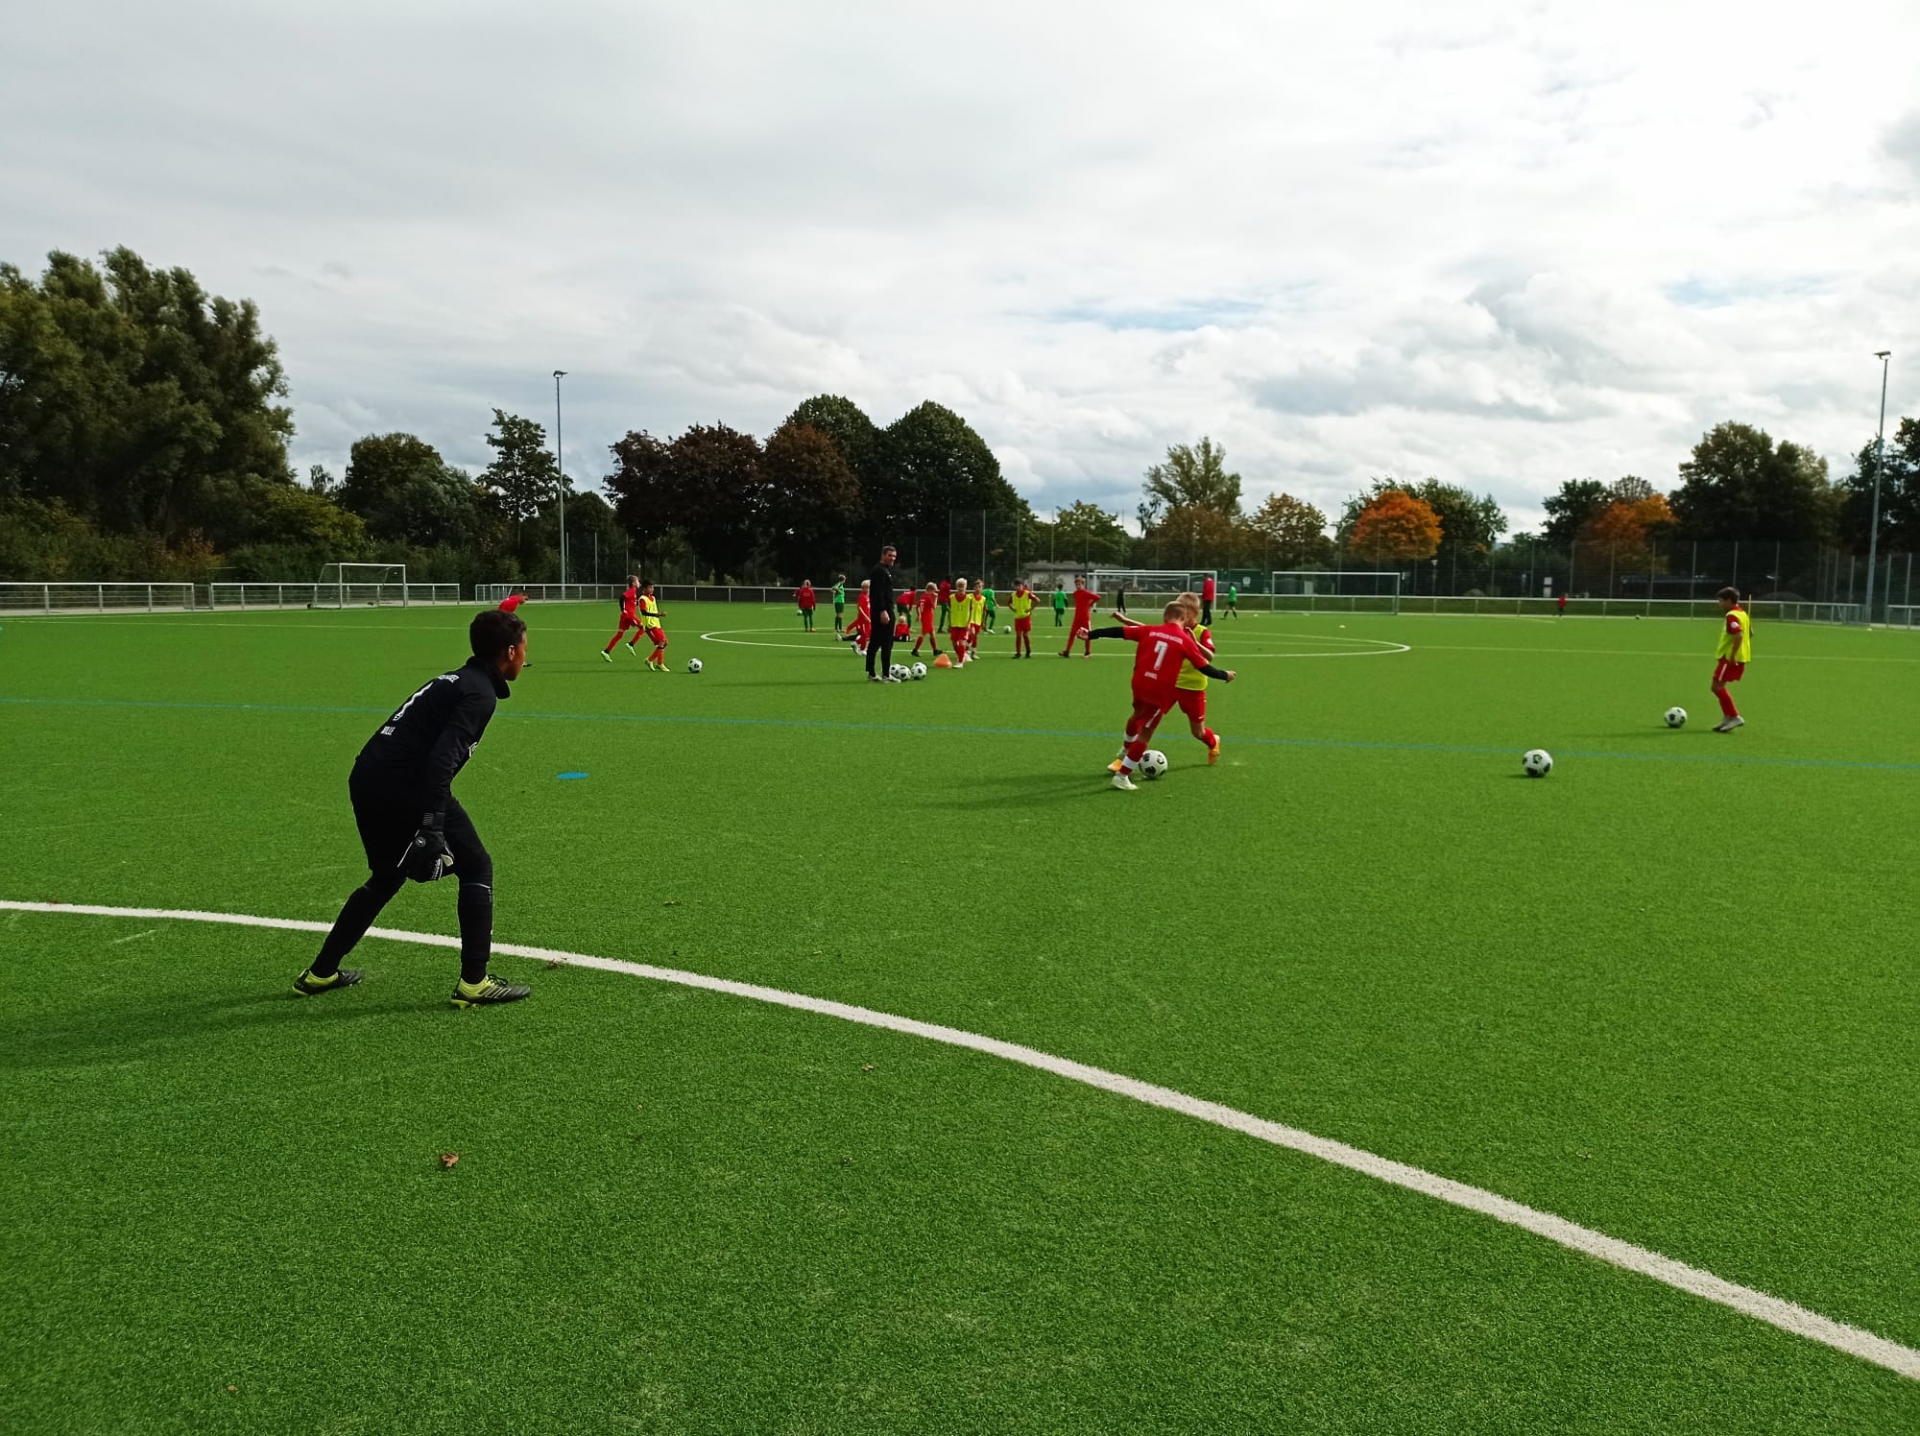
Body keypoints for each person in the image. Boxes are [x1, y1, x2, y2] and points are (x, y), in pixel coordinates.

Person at [293, 609, 532, 1007]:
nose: (526, 655)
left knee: (386, 877)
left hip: (367, 778)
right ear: (510, 651)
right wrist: (431, 824)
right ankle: (475, 982)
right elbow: (440, 761)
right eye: (525, 647)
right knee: (477, 866)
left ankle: (321, 973)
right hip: (407, 784)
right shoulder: (479, 693)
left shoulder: (456, 680)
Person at [1086, 600, 1235, 790]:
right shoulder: (1182, 639)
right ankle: (1122, 774)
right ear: (1183, 618)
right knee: (1146, 733)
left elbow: (1118, 632)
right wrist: (1225, 675)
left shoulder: (1155, 631)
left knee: (1188, 729)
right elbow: (1204, 666)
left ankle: (1126, 751)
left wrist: (1092, 634)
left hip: (1152, 687)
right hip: (1161, 691)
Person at [1711, 587, 1751, 733]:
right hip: (1740, 656)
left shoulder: (1732, 616)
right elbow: (1750, 633)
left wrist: (1732, 654)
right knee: (1717, 687)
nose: (1719, 604)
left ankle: (1734, 716)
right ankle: (1728, 717)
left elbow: (1739, 635)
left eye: (1721, 601)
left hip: (1730, 658)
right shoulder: (1743, 614)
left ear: (1729, 601)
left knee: (1717, 687)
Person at [865, 545, 903, 681]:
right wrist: (882, 610)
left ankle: (871, 672)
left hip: (884, 610)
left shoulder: (885, 570)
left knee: (875, 641)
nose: (892, 558)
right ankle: (886, 674)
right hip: (883, 612)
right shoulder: (879, 571)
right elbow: (877, 593)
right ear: (883, 555)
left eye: (894, 556)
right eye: (890, 555)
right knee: (886, 642)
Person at [602, 575, 645, 660]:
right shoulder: (632, 591)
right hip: (629, 615)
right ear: (633, 583)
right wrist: (623, 610)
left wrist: (637, 603)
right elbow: (622, 597)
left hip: (625, 616)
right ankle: (631, 644)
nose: (639, 583)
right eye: (637, 581)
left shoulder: (633, 592)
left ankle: (606, 651)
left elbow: (632, 603)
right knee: (643, 627)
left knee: (620, 634)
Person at [1060, 576, 1100, 657]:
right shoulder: (1075, 594)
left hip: (1085, 617)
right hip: (1077, 618)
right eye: (1076, 585)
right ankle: (1067, 651)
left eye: (1079, 585)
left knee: (1087, 634)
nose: (1078, 586)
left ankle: (1087, 652)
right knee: (1072, 634)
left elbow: (1097, 597)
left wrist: (1089, 604)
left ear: (1083, 584)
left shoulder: (1086, 593)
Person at [638, 581, 669, 671]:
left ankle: (650, 660)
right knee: (662, 641)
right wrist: (656, 615)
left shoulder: (653, 598)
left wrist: (657, 616)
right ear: (644, 588)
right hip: (649, 625)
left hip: (656, 624)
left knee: (664, 643)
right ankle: (659, 663)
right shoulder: (642, 599)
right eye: (650, 587)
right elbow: (643, 612)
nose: (652, 589)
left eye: (652, 587)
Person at [911, 583, 942, 659]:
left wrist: (919, 615)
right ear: (930, 590)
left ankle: (935, 650)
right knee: (923, 634)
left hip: (926, 617)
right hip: (927, 618)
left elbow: (917, 606)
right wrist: (936, 598)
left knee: (932, 633)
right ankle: (915, 650)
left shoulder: (923, 596)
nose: (935, 592)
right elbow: (934, 607)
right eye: (934, 590)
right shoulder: (928, 597)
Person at [1009, 581, 1036, 658]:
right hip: (1017, 617)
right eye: (1016, 586)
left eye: (1019, 585)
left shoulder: (1027, 593)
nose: (1017, 587)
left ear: (1022, 586)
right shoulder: (1013, 595)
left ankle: (1028, 651)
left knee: (1025, 635)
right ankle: (1018, 653)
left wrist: (1030, 609)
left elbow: (1037, 600)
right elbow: (1009, 603)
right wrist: (1013, 609)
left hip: (1026, 617)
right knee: (1018, 635)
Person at [948, 577, 971, 665]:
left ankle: (960, 662)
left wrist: (969, 623)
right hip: (954, 623)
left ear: (966, 587)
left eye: (963, 586)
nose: (961, 588)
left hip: (964, 624)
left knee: (961, 642)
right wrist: (949, 623)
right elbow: (950, 611)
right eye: (959, 586)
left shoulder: (969, 598)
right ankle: (962, 655)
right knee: (954, 642)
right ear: (956, 586)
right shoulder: (952, 598)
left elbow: (971, 611)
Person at [848, 580, 872, 655]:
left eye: (869, 588)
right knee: (865, 634)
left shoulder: (867, 596)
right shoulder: (862, 596)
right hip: (863, 619)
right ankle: (856, 643)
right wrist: (865, 616)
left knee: (868, 634)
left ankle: (863, 649)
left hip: (868, 618)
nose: (868, 589)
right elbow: (859, 607)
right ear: (862, 588)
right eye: (866, 588)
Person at [967, 583, 986, 663]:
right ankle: (966, 651)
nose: (978, 588)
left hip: (978, 620)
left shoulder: (983, 599)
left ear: (982, 588)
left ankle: (973, 652)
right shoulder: (969, 597)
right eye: (976, 587)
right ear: (974, 588)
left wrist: (983, 621)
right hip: (970, 620)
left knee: (975, 637)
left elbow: (984, 611)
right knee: (972, 633)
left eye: (980, 587)